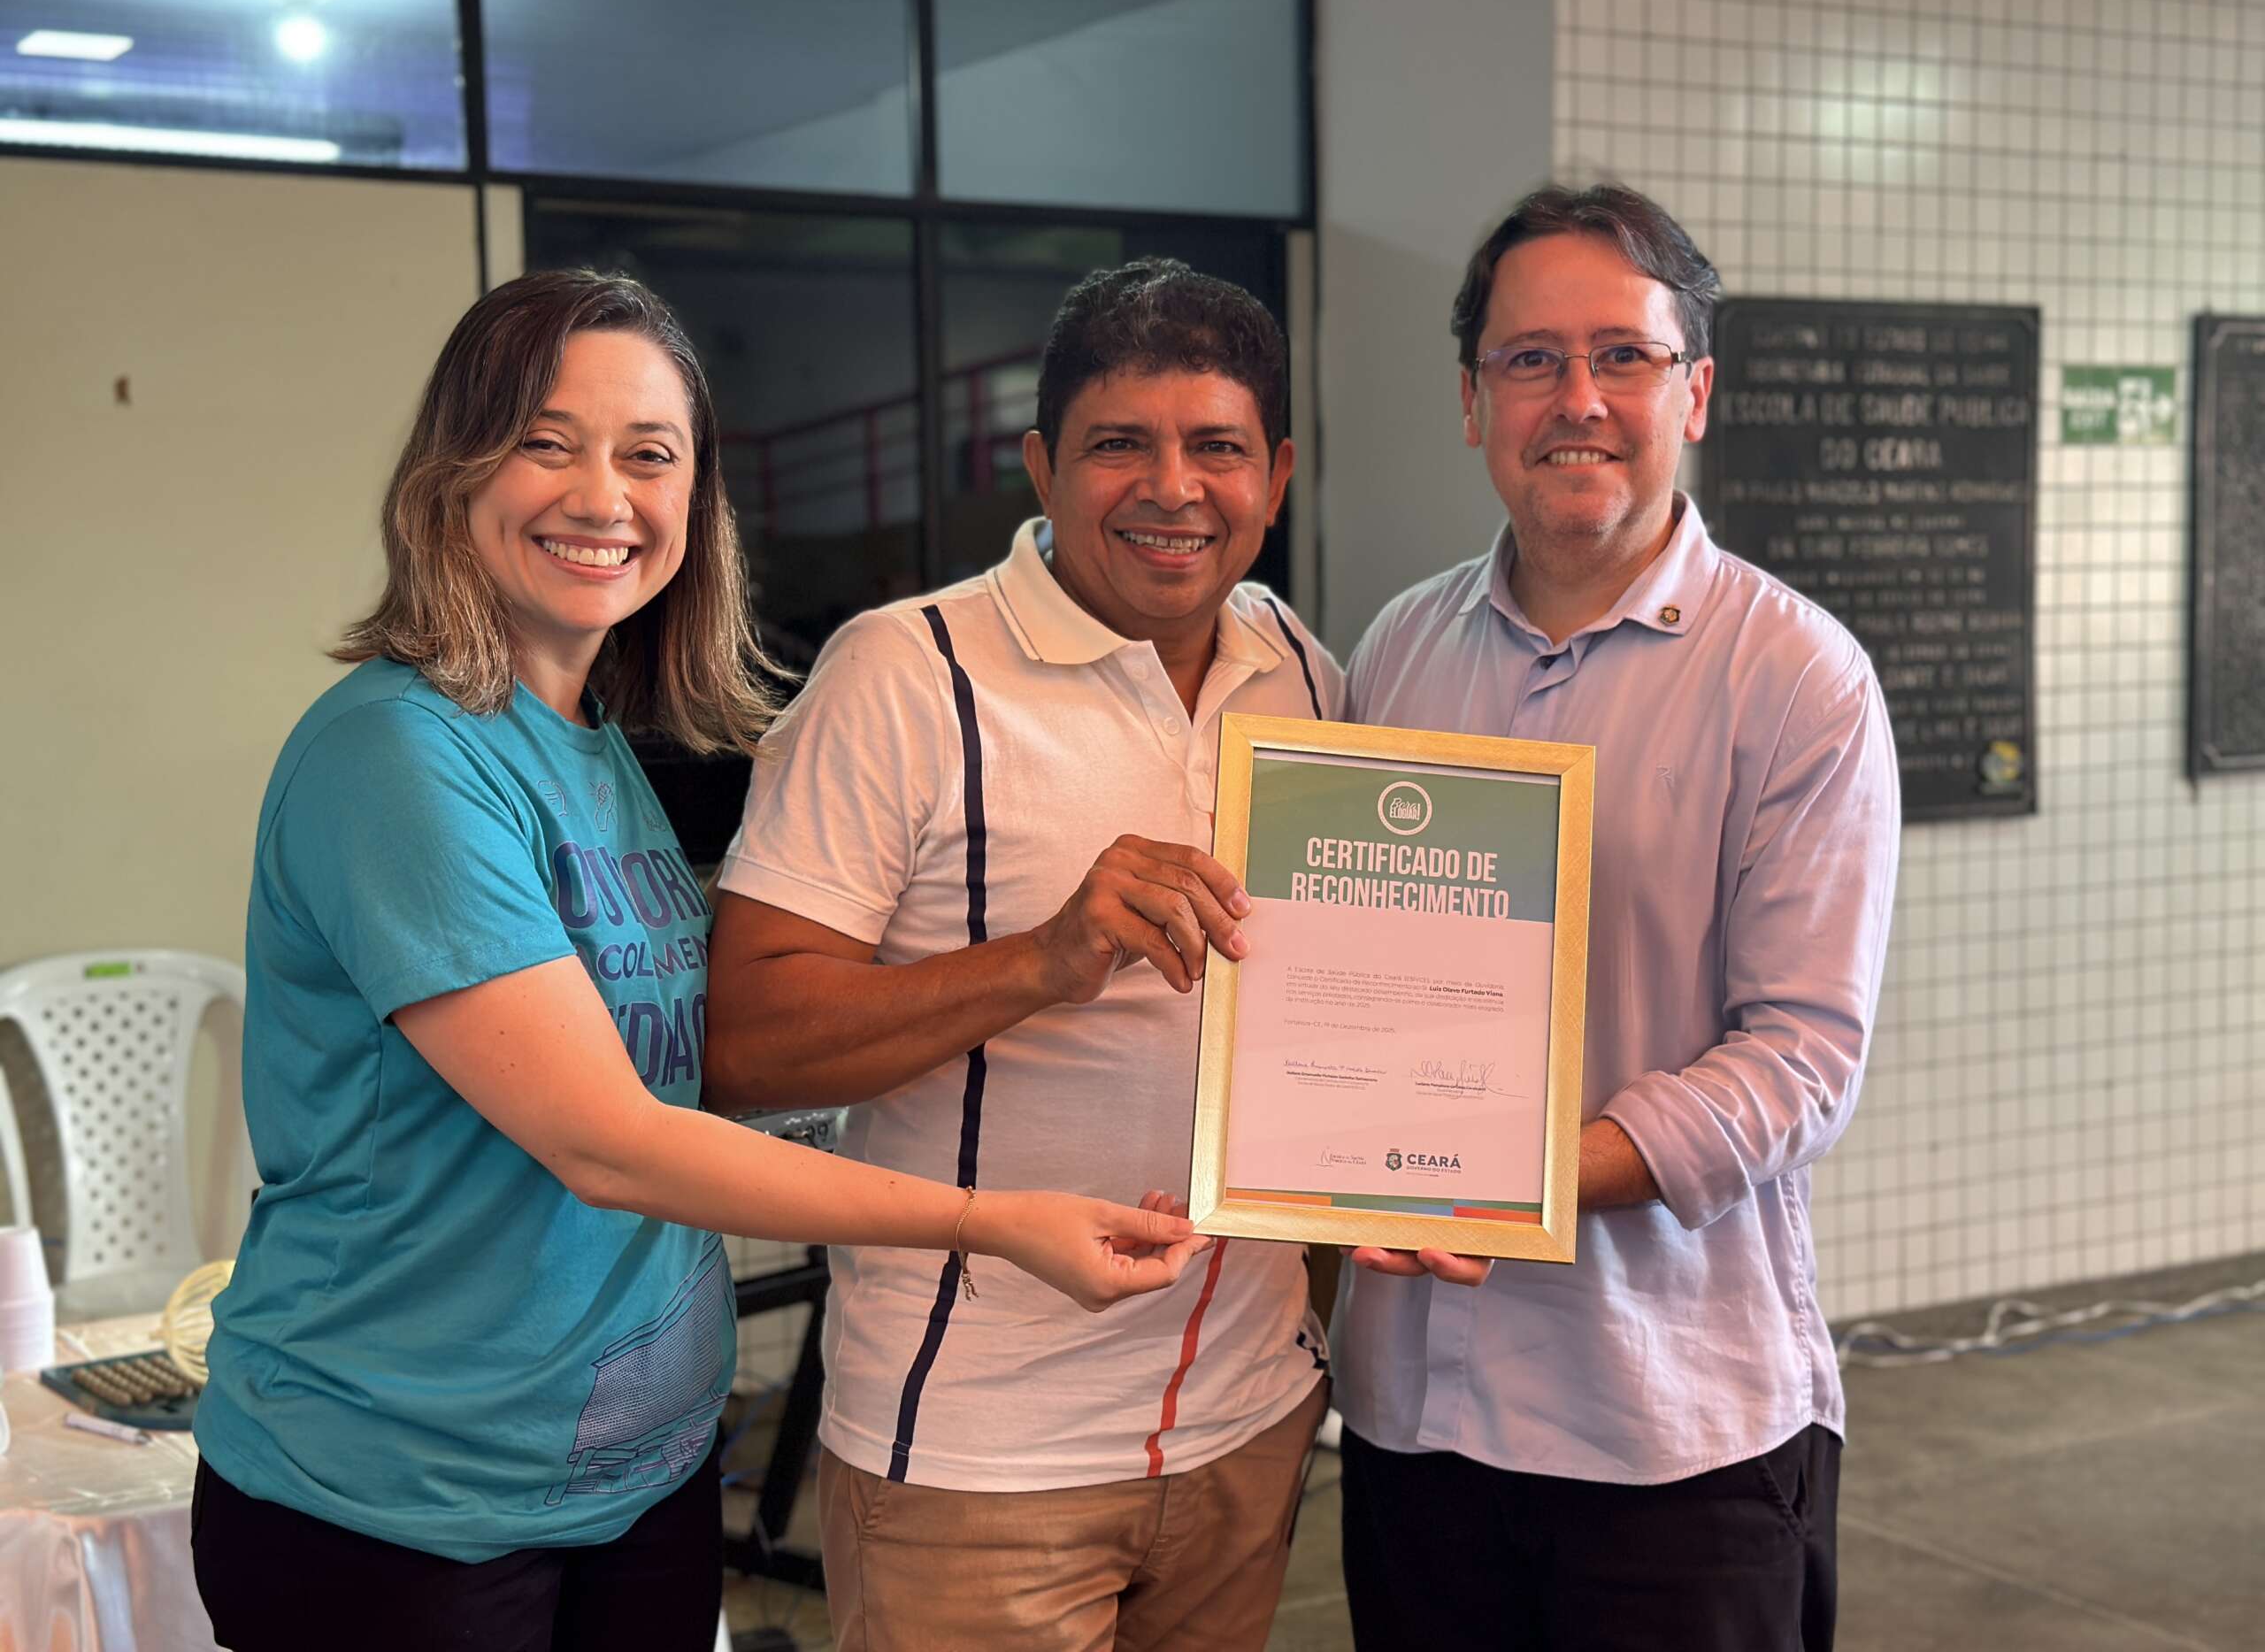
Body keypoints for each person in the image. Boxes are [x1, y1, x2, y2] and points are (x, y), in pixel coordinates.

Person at [188, 270, 1204, 1652]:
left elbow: (688, 1068)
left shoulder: (594, 746)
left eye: (648, 455)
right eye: (547, 442)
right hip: (402, 1503)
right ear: (454, 469)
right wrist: (998, 1220)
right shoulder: (399, 756)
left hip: (639, 1480)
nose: (602, 496)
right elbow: (608, 1139)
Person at [702, 258, 1341, 1652]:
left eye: (1217, 447)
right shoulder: (902, 673)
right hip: (979, 1454)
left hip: (1249, 1416)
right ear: (1043, 466)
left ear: (1277, 477)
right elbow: (742, 1046)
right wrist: (1044, 959)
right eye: (1120, 445)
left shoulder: (1300, 667)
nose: (1173, 488)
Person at [1331, 184, 1900, 1651]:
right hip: (1415, 1419)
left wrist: (1503, 1175)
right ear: (1473, 401)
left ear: (1692, 391)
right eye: (1530, 359)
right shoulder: (1397, 652)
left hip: (1671, 1432)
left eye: (1623, 357)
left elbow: (1801, 1062)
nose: (1576, 399)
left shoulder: (1799, 680)